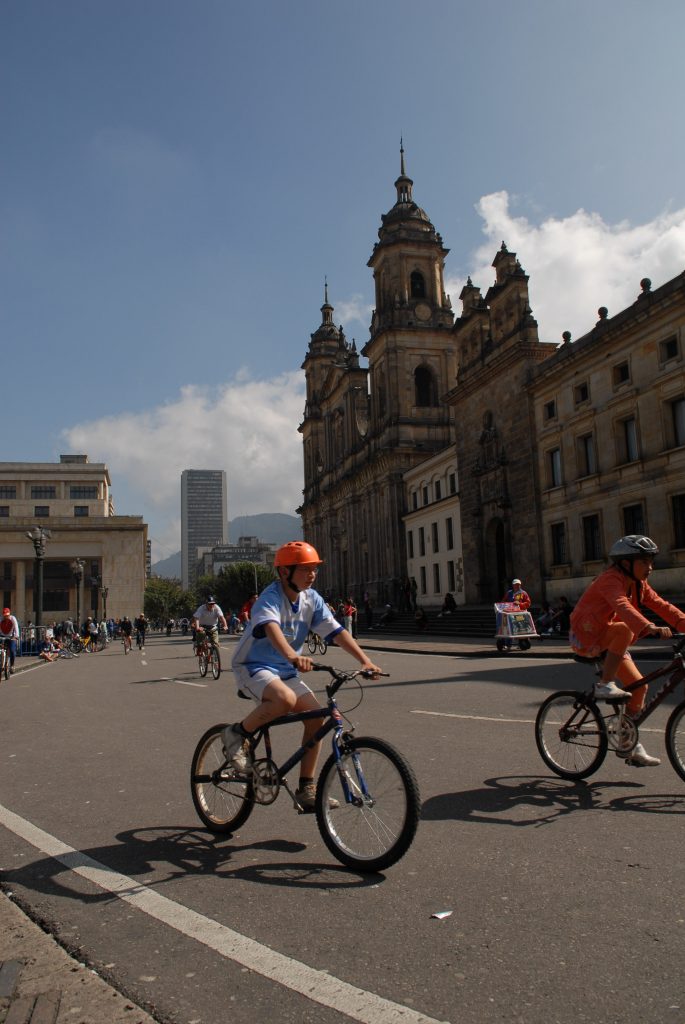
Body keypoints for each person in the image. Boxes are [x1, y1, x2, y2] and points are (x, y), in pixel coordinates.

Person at [226, 541, 382, 812]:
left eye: (314, 569)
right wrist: (292, 655)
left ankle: (307, 789)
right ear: (285, 572)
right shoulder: (271, 597)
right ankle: (236, 735)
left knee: (317, 717)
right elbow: (271, 627)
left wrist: (365, 660)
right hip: (253, 666)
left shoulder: (312, 599)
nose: (312, 574)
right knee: (283, 700)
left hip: (284, 671)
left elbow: (336, 632)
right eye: (306, 569)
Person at [569, 535, 685, 767]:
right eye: (644, 562)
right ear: (625, 562)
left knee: (639, 687)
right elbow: (621, 604)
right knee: (624, 629)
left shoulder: (639, 585)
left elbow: (663, 606)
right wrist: (648, 626)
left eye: (651, 562)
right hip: (587, 635)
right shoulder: (609, 580)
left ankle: (626, 740)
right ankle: (604, 684)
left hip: (610, 640)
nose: (650, 568)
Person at [0, 607, 20, 674]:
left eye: (7, 615)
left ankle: (12, 665)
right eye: (5, 615)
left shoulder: (13, 618)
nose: (6, 617)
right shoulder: (1, 619)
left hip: (11, 637)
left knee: (12, 650)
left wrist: (16, 636)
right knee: (1, 650)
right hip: (2, 636)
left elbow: (16, 627)